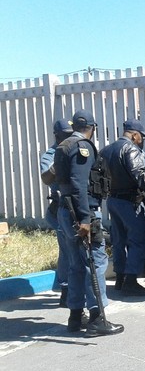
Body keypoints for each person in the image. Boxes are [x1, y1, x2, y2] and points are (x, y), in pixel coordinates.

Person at [53, 109, 123, 336]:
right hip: (83, 214)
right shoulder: (82, 146)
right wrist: (84, 218)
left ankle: (75, 316)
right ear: (92, 128)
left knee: (76, 265)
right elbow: (79, 183)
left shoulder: (63, 145)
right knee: (96, 264)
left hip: (66, 210)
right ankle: (96, 317)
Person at [100, 119, 145, 296]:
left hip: (113, 200)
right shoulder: (130, 148)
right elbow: (139, 174)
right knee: (138, 239)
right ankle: (131, 281)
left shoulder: (106, 150)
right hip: (130, 202)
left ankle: (120, 278)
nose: (142, 141)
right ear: (134, 134)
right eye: (141, 137)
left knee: (119, 240)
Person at [40, 118, 73, 307]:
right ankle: (66, 290)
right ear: (57, 135)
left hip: (75, 206)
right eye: (65, 135)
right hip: (60, 207)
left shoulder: (74, 148)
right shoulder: (50, 155)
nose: (68, 138)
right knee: (66, 250)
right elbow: (47, 176)